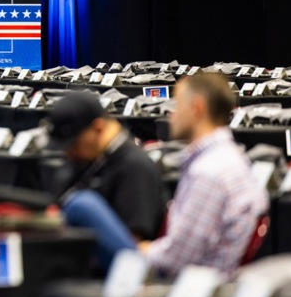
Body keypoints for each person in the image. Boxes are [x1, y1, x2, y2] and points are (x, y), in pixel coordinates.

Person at [60, 73, 270, 278]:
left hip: (176, 284)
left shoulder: (209, 173)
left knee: (82, 206)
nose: (171, 114)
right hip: (193, 277)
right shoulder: (229, 160)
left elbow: (177, 261)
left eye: (177, 105)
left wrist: (143, 250)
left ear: (197, 108)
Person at [45, 92, 165, 242]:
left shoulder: (135, 168)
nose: (69, 153)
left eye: (74, 144)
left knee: (82, 205)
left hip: (117, 254)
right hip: (72, 248)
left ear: (98, 129)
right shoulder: (90, 160)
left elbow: (133, 244)